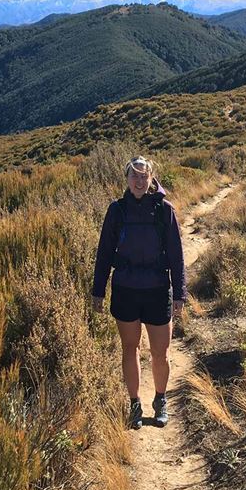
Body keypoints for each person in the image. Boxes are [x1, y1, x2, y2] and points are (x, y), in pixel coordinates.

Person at [91, 156, 186, 429]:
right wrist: (98, 291)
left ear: (152, 178)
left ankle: (160, 399)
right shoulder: (116, 211)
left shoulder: (164, 211)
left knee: (161, 352)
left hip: (157, 289)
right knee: (129, 349)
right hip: (126, 290)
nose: (139, 181)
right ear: (127, 178)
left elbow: (177, 256)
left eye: (144, 176)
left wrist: (179, 293)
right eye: (134, 175)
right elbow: (104, 253)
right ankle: (134, 404)